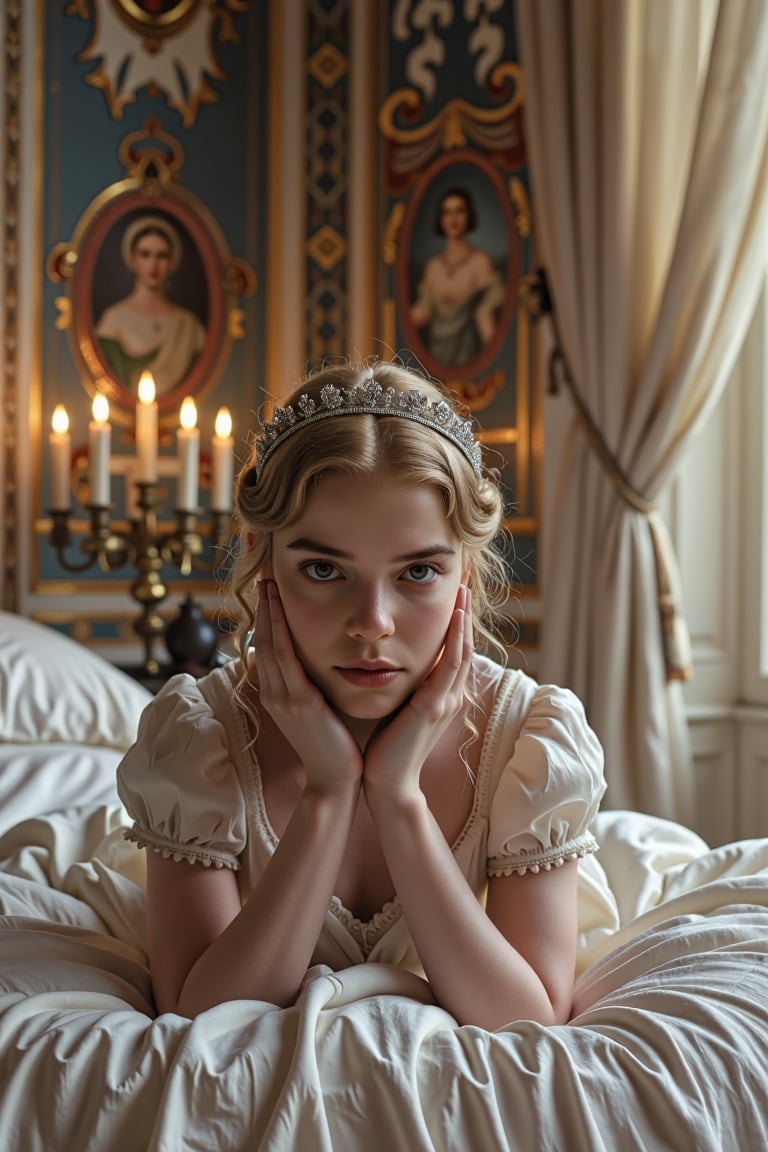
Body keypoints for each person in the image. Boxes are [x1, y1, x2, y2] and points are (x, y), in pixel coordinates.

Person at [116, 359, 606, 1029]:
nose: (372, 622)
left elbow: (527, 1016)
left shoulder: (526, 738)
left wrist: (399, 798)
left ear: (463, 571)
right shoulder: (203, 739)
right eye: (324, 569)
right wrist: (329, 790)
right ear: (264, 563)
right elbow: (199, 1011)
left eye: (418, 572)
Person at [95, 214, 206, 395]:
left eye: (161, 255)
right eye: (145, 254)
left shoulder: (189, 325)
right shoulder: (113, 319)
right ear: (132, 259)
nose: (153, 265)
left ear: (171, 262)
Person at [409, 186, 506, 367]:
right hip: (436, 355)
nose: (453, 219)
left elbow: (486, 314)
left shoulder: (480, 262)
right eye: (447, 212)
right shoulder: (433, 267)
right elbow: (423, 312)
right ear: (441, 219)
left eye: (459, 211)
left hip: (468, 352)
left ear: (468, 216)